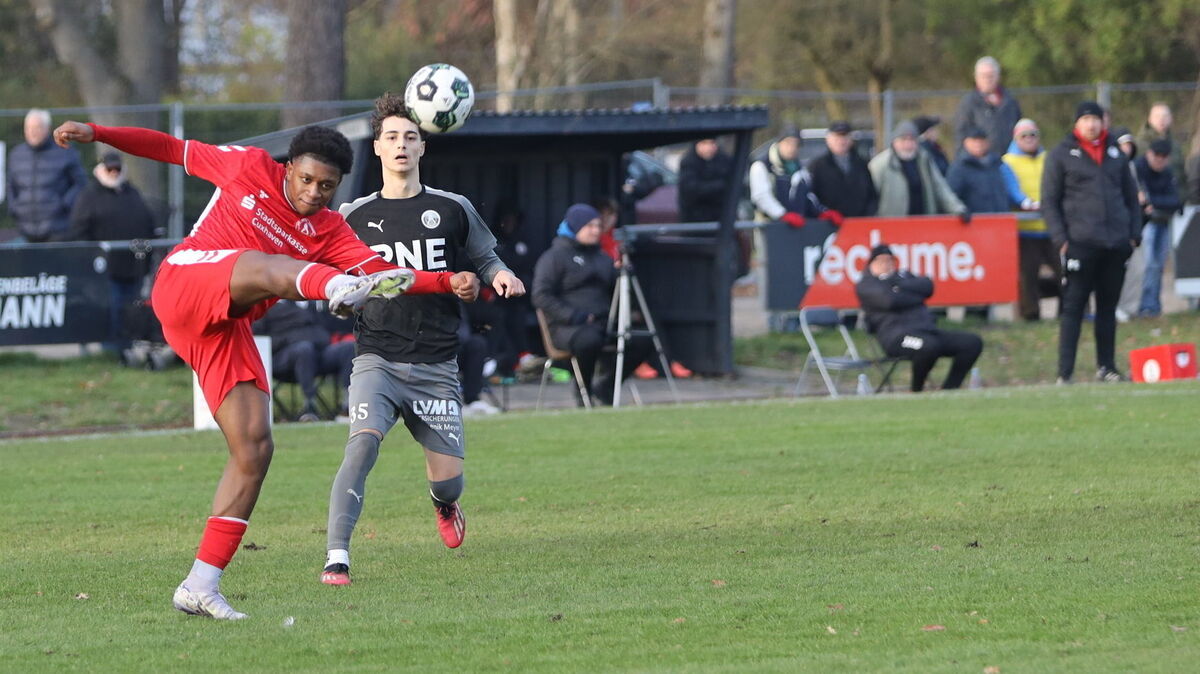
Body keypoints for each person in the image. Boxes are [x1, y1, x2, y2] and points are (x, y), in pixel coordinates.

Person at [52, 118, 475, 620]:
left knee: (255, 446)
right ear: (288, 167)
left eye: (327, 186)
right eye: (307, 180)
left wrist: (447, 282)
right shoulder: (246, 165)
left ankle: (200, 585)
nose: (315, 193)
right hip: (187, 282)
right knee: (259, 261)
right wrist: (99, 133)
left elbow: (384, 274)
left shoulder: (332, 230)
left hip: (222, 326)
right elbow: (170, 147)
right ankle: (330, 289)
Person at [321, 92, 523, 586]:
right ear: (377, 148)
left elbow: (484, 257)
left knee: (449, 481)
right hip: (377, 359)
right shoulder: (353, 215)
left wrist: (499, 275)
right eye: (392, 137)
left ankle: (444, 505)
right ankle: (336, 556)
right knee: (360, 448)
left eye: (411, 137)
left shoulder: (452, 207)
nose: (401, 145)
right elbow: (331, 277)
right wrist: (341, 297)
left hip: (435, 365)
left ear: (423, 148)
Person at [1041, 101, 1141, 384]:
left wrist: (1133, 234)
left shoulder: (1115, 154)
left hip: (1115, 244)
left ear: (1103, 122)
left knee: (1107, 309)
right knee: (1073, 308)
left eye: (1095, 119)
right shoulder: (1061, 154)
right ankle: (1065, 372)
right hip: (1080, 243)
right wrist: (1061, 239)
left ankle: (1106, 367)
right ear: (1077, 123)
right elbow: (1049, 201)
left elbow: (1131, 197)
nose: (1091, 124)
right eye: (1086, 119)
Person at [532, 203, 654, 405]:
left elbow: (614, 290)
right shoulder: (554, 257)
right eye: (590, 226)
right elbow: (541, 296)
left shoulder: (602, 258)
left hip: (603, 322)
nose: (596, 231)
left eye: (598, 226)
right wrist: (573, 315)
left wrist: (622, 274)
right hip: (568, 327)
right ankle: (583, 391)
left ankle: (606, 388)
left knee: (643, 340)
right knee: (589, 340)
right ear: (576, 226)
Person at [856, 244, 983, 392]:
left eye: (890, 260)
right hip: (897, 337)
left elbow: (927, 286)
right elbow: (890, 301)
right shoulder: (866, 284)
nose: (886, 264)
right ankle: (916, 391)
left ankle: (949, 389)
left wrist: (899, 286)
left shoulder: (902, 277)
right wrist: (916, 296)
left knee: (972, 343)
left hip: (927, 330)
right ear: (871, 262)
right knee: (927, 346)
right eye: (881, 260)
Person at [66, 151, 158, 353]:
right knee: (111, 311)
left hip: (134, 267)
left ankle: (127, 348)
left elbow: (147, 222)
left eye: (117, 168)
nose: (114, 172)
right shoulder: (89, 196)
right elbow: (78, 231)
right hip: (105, 269)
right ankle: (111, 351)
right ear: (100, 169)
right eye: (110, 169)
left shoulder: (132, 192)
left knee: (131, 310)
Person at [252, 300, 355, 421]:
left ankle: (349, 405)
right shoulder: (266, 307)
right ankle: (309, 407)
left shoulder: (309, 305)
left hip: (318, 352)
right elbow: (259, 338)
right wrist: (292, 339)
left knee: (348, 347)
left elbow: (328, 327)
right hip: (283, 360)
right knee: (305, 349)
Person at [1002, 119, 1061, 321]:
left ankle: (1068, 311)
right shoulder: (1008, 161)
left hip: (1051, 227)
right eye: (1023, 136)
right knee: (1027, 276)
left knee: (1065, 271)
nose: (1029, 139)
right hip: (1025, 228)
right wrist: (1026, 202)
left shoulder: (1048, 158)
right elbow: (1012, 188)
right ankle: (1029, 315)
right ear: (1016, 138)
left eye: (1032, 135)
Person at [6, 108, 86, 243]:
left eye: (37, 127)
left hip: (58, 230)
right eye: (29, 128)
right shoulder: (16, 154)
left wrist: (63, 205)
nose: (32, 132)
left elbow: (80, 183)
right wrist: (14, 207)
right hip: (25, 229)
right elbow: (10, 186)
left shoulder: (65, 151)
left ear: (48, 129)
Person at [869, 120, 969, 219]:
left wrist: (958, 209)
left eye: (912, 140)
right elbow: (870, 196)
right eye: (903, 140)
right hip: (891, 224)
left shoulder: (925, 160)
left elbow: (940, 188)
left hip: (922, 223)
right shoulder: (880, 164)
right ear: (895, 141)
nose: (908, 144)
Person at [749, 126, 843, 228]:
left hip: (795, 230)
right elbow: (761, 197)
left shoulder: (801, 170)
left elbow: (808, 196)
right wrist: (782, 214)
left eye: (796, 145)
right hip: (769, 229)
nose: (792, 148)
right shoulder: (761, 166)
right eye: (788, 143)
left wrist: (823, 212)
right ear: (779, 143)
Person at [1135, 139, 1183, 317]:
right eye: (1157, 156)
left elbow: (1176, 201)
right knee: (1148, 265)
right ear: (1149, 153)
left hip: (1163, 222)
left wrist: (1154, 202)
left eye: (1164, 157)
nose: (1159, 160)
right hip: (1146, 223)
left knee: (1159, 266)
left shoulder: (1168, 172)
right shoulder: (1139, 167)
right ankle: (1143, 305)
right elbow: (1141, 200)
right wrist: (1154, 203)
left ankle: (1153, 305)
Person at [806, 121, 878, 217]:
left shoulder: (861, 165)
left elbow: (872, 195)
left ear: (851, 139)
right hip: (828, 224)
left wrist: (867, 215)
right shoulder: (817, 166)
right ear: (828, 139)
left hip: (857, 223)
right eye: (837, 137)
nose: (841, 141)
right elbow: (811, 197)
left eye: (844, 137)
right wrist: (824, 214)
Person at [947, 126, 1024, 215]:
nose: (978, 144)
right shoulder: (959, 168)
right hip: (973, 223)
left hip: (1000, 220)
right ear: (966, 143)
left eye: (981, 140)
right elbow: (952, 196)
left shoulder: (998, 165)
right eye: (974, 140)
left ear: (988, 142)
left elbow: (1010, 190)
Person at [954, 56, 1023, 154]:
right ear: (976, 77)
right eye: (984, 76)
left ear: (998, 76)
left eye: (991, 75)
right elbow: (961, 134)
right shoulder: (969, 103)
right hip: (982, 163)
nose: (988, 79)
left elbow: (1019, 129)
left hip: (1009, 159)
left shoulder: (1010, 101)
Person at [677, 137, 733, 223]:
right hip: (694, 222)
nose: (709, 147)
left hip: (720, 220)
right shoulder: (688, 162)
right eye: (704, 143)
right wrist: (719, 186)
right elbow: (691, 190)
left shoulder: (723, 160)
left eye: (712, 143)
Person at [1135, 103, 1186, 194]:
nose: (1161, 119)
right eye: (1157, 116)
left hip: (1173, 197)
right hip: (1151, 197)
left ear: (1171, 119)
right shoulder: (1139, 145)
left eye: (1165, 116)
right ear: (1150, 119)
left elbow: (1181, 175)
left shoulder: (1175, 145)